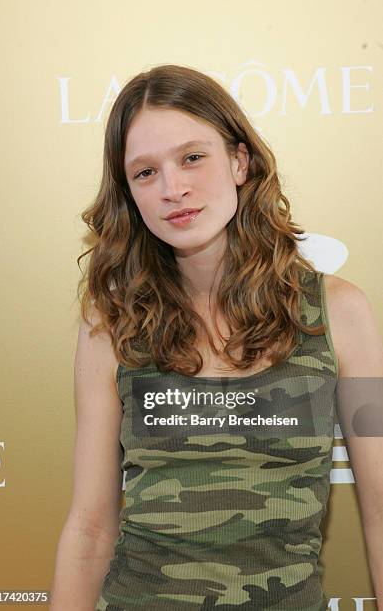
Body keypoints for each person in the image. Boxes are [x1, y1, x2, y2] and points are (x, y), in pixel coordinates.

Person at [49, 64, 383, 611]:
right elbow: (88, 528)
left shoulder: (342, 312)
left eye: (192, 157)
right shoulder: (110, 324)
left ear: (239, 160)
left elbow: (380, 506)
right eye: (145, 172)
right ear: (129, 192)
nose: (173, 188)